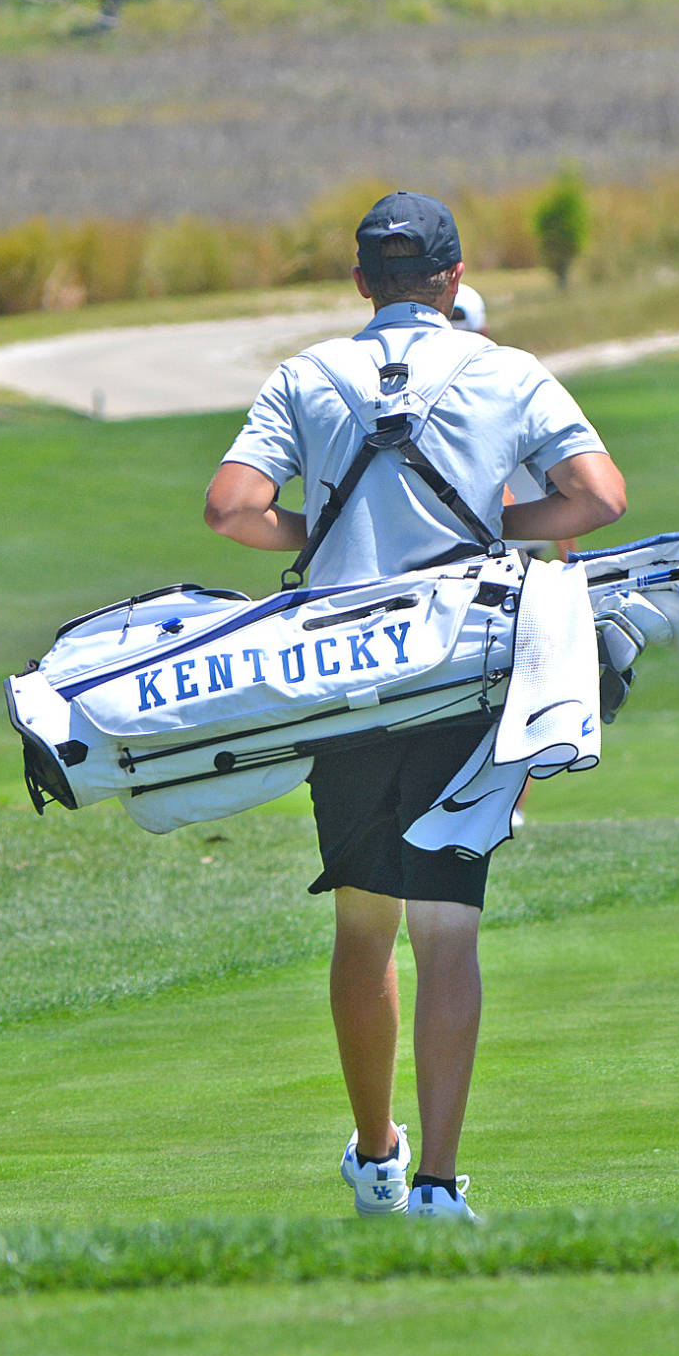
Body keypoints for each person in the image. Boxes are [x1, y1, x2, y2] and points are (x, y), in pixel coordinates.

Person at [204, 192, 628, 1221]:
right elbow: (601, 498)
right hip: (457, 669)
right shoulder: (504, 369)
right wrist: (500, 518)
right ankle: (438, 1177)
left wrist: (324, 532)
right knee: (448, 929)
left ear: (361, 282)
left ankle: (375, 1151)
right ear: (452, 278)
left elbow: (232, 509)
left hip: (342, 673)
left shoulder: (306, 374)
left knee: (363, 927)